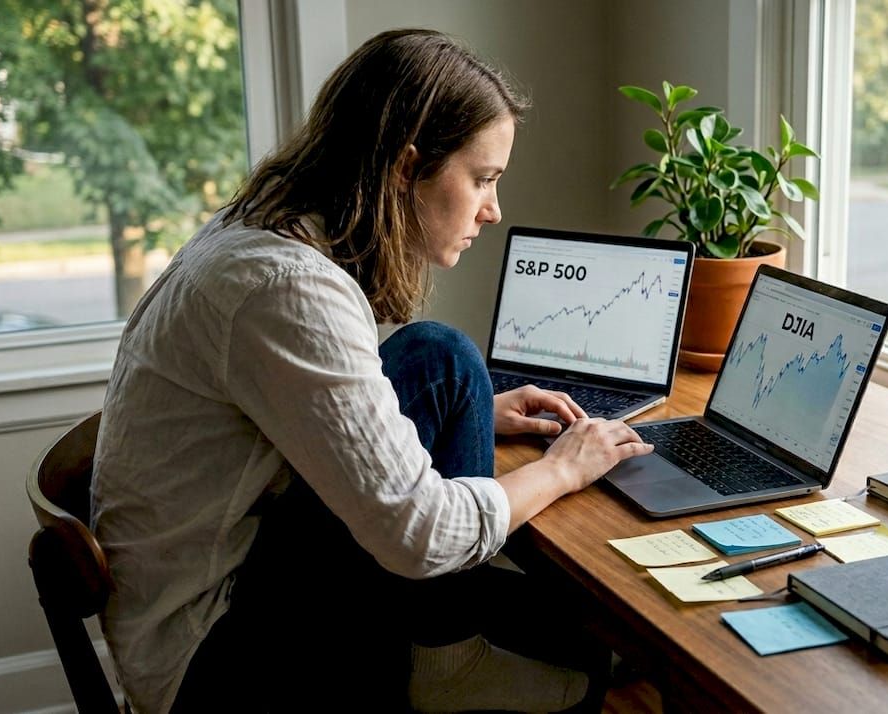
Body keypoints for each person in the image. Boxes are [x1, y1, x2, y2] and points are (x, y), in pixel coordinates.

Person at [89, 28, 653, 714]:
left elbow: (315, 409)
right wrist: (565, 466)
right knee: (564, 631)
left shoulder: (262, 233)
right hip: (210, 659)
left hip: (225, 574)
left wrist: (476, 407)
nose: (492, 208)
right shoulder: (285, 286)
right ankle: (450, 661)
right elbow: (422, 535)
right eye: (482, 179)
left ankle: (457, 654)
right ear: (405, 167)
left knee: (444, 366)